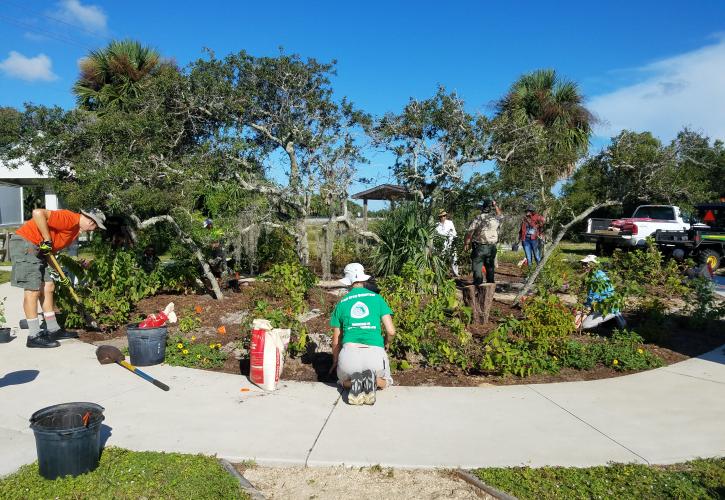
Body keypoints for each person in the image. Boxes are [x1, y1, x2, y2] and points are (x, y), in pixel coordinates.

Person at [10, 208, 106, 348]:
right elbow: (37, 213)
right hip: (27, 243)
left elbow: (49, 252)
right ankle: (34, 335)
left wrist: (60, 272)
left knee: (49, 286)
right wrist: (47, 239)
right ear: (91, 221)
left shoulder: (73, 230)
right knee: (33, 290)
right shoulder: (69, 218)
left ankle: (53, 329)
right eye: (95, 227)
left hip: (39, 249)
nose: (93, 230)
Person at [329, 263, 395, 405]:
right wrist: (386, 343)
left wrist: (335, 361)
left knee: (342, 382)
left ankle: (354, 382)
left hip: (349, 357)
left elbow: (336, 341)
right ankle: (372, 380)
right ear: (364, 279)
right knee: (386, 381)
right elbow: (391, 331)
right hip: (375, 356)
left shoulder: (341, 303)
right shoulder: (377, 298)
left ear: (348, 282)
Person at [576, 255, 627, 331]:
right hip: (602, 306)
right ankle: (615, 319)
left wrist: (583, 310)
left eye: (586, 264)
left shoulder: (596, 277)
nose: (583, 266)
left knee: (585, 325)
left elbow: (592, 298)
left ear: (594, 264)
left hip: (606, 308)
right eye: (583, 264)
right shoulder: (597, 274)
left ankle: (610, 321)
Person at [463, 199, 502, 284]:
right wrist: (495, 205)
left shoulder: (479, 218)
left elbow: (470, 231)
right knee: (490, 268)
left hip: (480, 247)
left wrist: (466, 243)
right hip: (492, 247)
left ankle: (478, 286)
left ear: (482, 208)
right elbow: (500, 215)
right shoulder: (495, 219)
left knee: (477, 267)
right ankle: (490, 286)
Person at [435, 210, 459, 276]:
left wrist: (450, 236)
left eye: (444, 216)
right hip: (441, 244)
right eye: (441, 216)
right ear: (439, 217)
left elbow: (454, 233)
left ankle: (456, 273)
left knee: (454, 258)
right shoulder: (436, 225)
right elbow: (436, 235)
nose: (443, 217)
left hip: (450, 242)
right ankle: (442, 273)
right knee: (442, 258)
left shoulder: (450, 223)